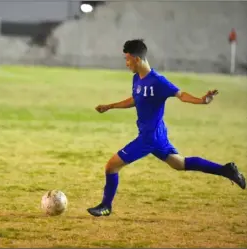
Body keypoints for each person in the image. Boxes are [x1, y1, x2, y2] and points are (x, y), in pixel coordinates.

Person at [87, 39, 246, 217]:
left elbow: (181, 95)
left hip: (149, 137)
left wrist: (202, 100)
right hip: (157, 134)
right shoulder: (137, 79)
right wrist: (110, 106)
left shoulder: (158, 81)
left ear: (137, 59)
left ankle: (106, 206)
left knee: (111, 167)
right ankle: (226, 170)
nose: (126, 63)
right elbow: (136, 99)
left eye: (127, 59)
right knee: (180, 164)